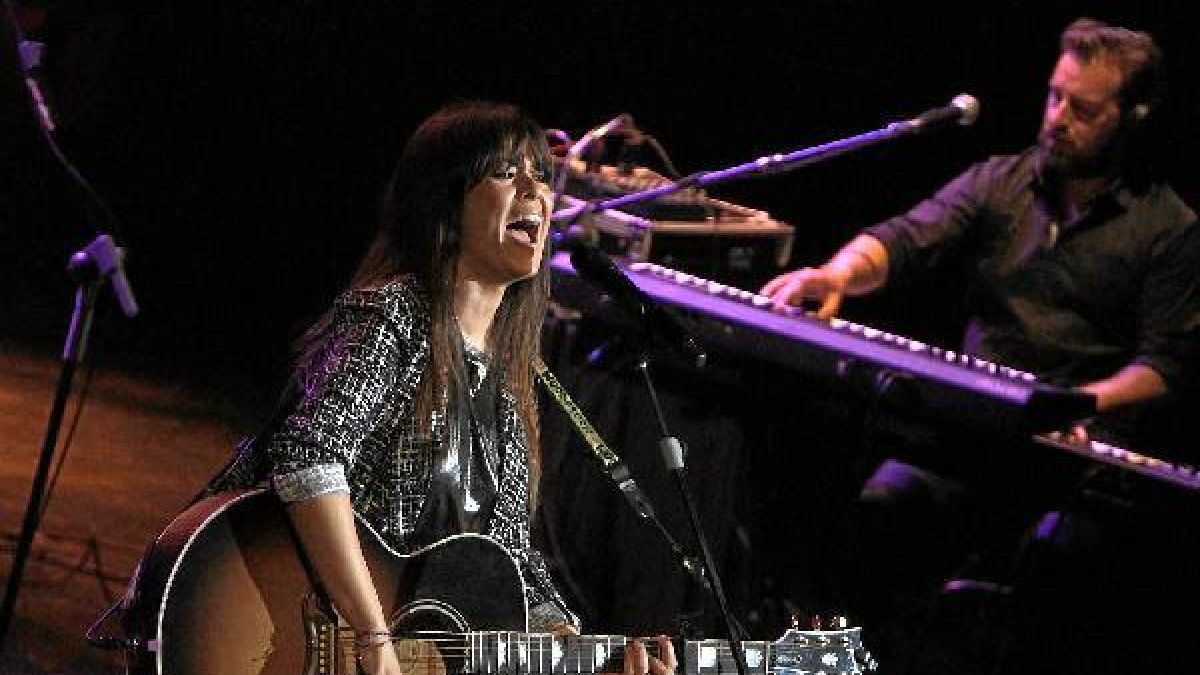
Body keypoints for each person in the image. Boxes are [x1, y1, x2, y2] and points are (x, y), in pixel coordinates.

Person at [761, 17, 1198, 674]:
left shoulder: (1169, 228)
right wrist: (837, 273)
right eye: (1055, 96)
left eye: (1083, 109)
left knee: (1059, 565)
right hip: (969, 435)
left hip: (1072, 461)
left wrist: (1079, 402)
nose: (1057, 119)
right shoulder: (1004, 180)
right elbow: (906, 238)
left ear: (1131, 116)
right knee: (879, 509)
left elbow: (1164, 364)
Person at [206, 101, 677, 675]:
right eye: (506, 172)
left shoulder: (505, 390)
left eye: (540, 174)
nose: (536, 189)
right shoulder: (394, 317)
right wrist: (373, 636)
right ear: (447, 206)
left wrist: (586, 656)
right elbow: (309, 460)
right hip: (291, 625)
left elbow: (509, 568)